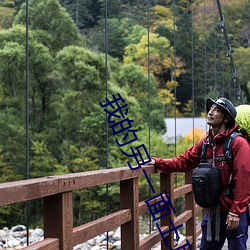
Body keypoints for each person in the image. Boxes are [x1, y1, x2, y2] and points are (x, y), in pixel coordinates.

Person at [148, 97, 250, 250]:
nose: (210, 112)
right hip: (212, 211)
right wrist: (158, 162)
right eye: (210, 109)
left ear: (227, 118)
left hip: (233, 212)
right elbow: (183, 161)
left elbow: (244, 178)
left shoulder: (238, 143)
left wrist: (236, 212)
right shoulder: (205, 143)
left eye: (216, 110)